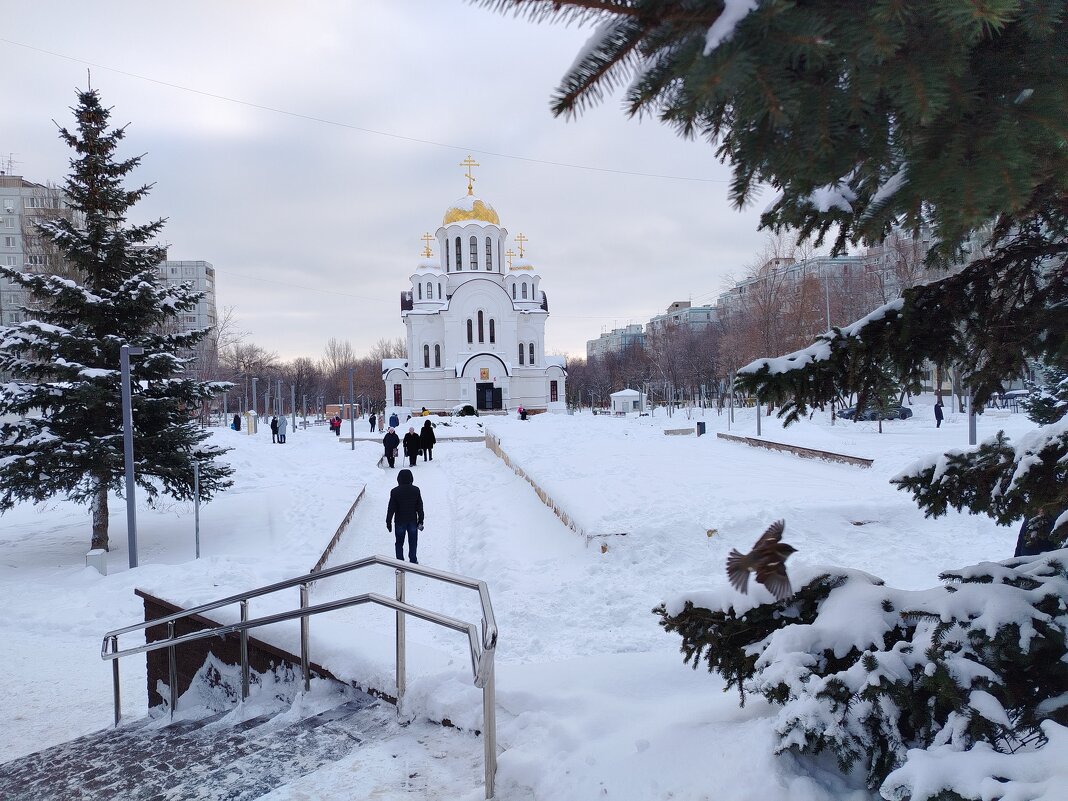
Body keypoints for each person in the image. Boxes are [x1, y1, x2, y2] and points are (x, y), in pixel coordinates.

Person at [386, 468, 424, 564]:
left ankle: (400, 562)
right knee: (413, 542)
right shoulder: (416, 490)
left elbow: (391, 508)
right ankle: (413, 560)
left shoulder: (394, 491)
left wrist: (388, 521)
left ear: (399, 479)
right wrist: (421, 520)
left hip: (399, 521)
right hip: (412, 521)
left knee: (399, 542)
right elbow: (419, 506)